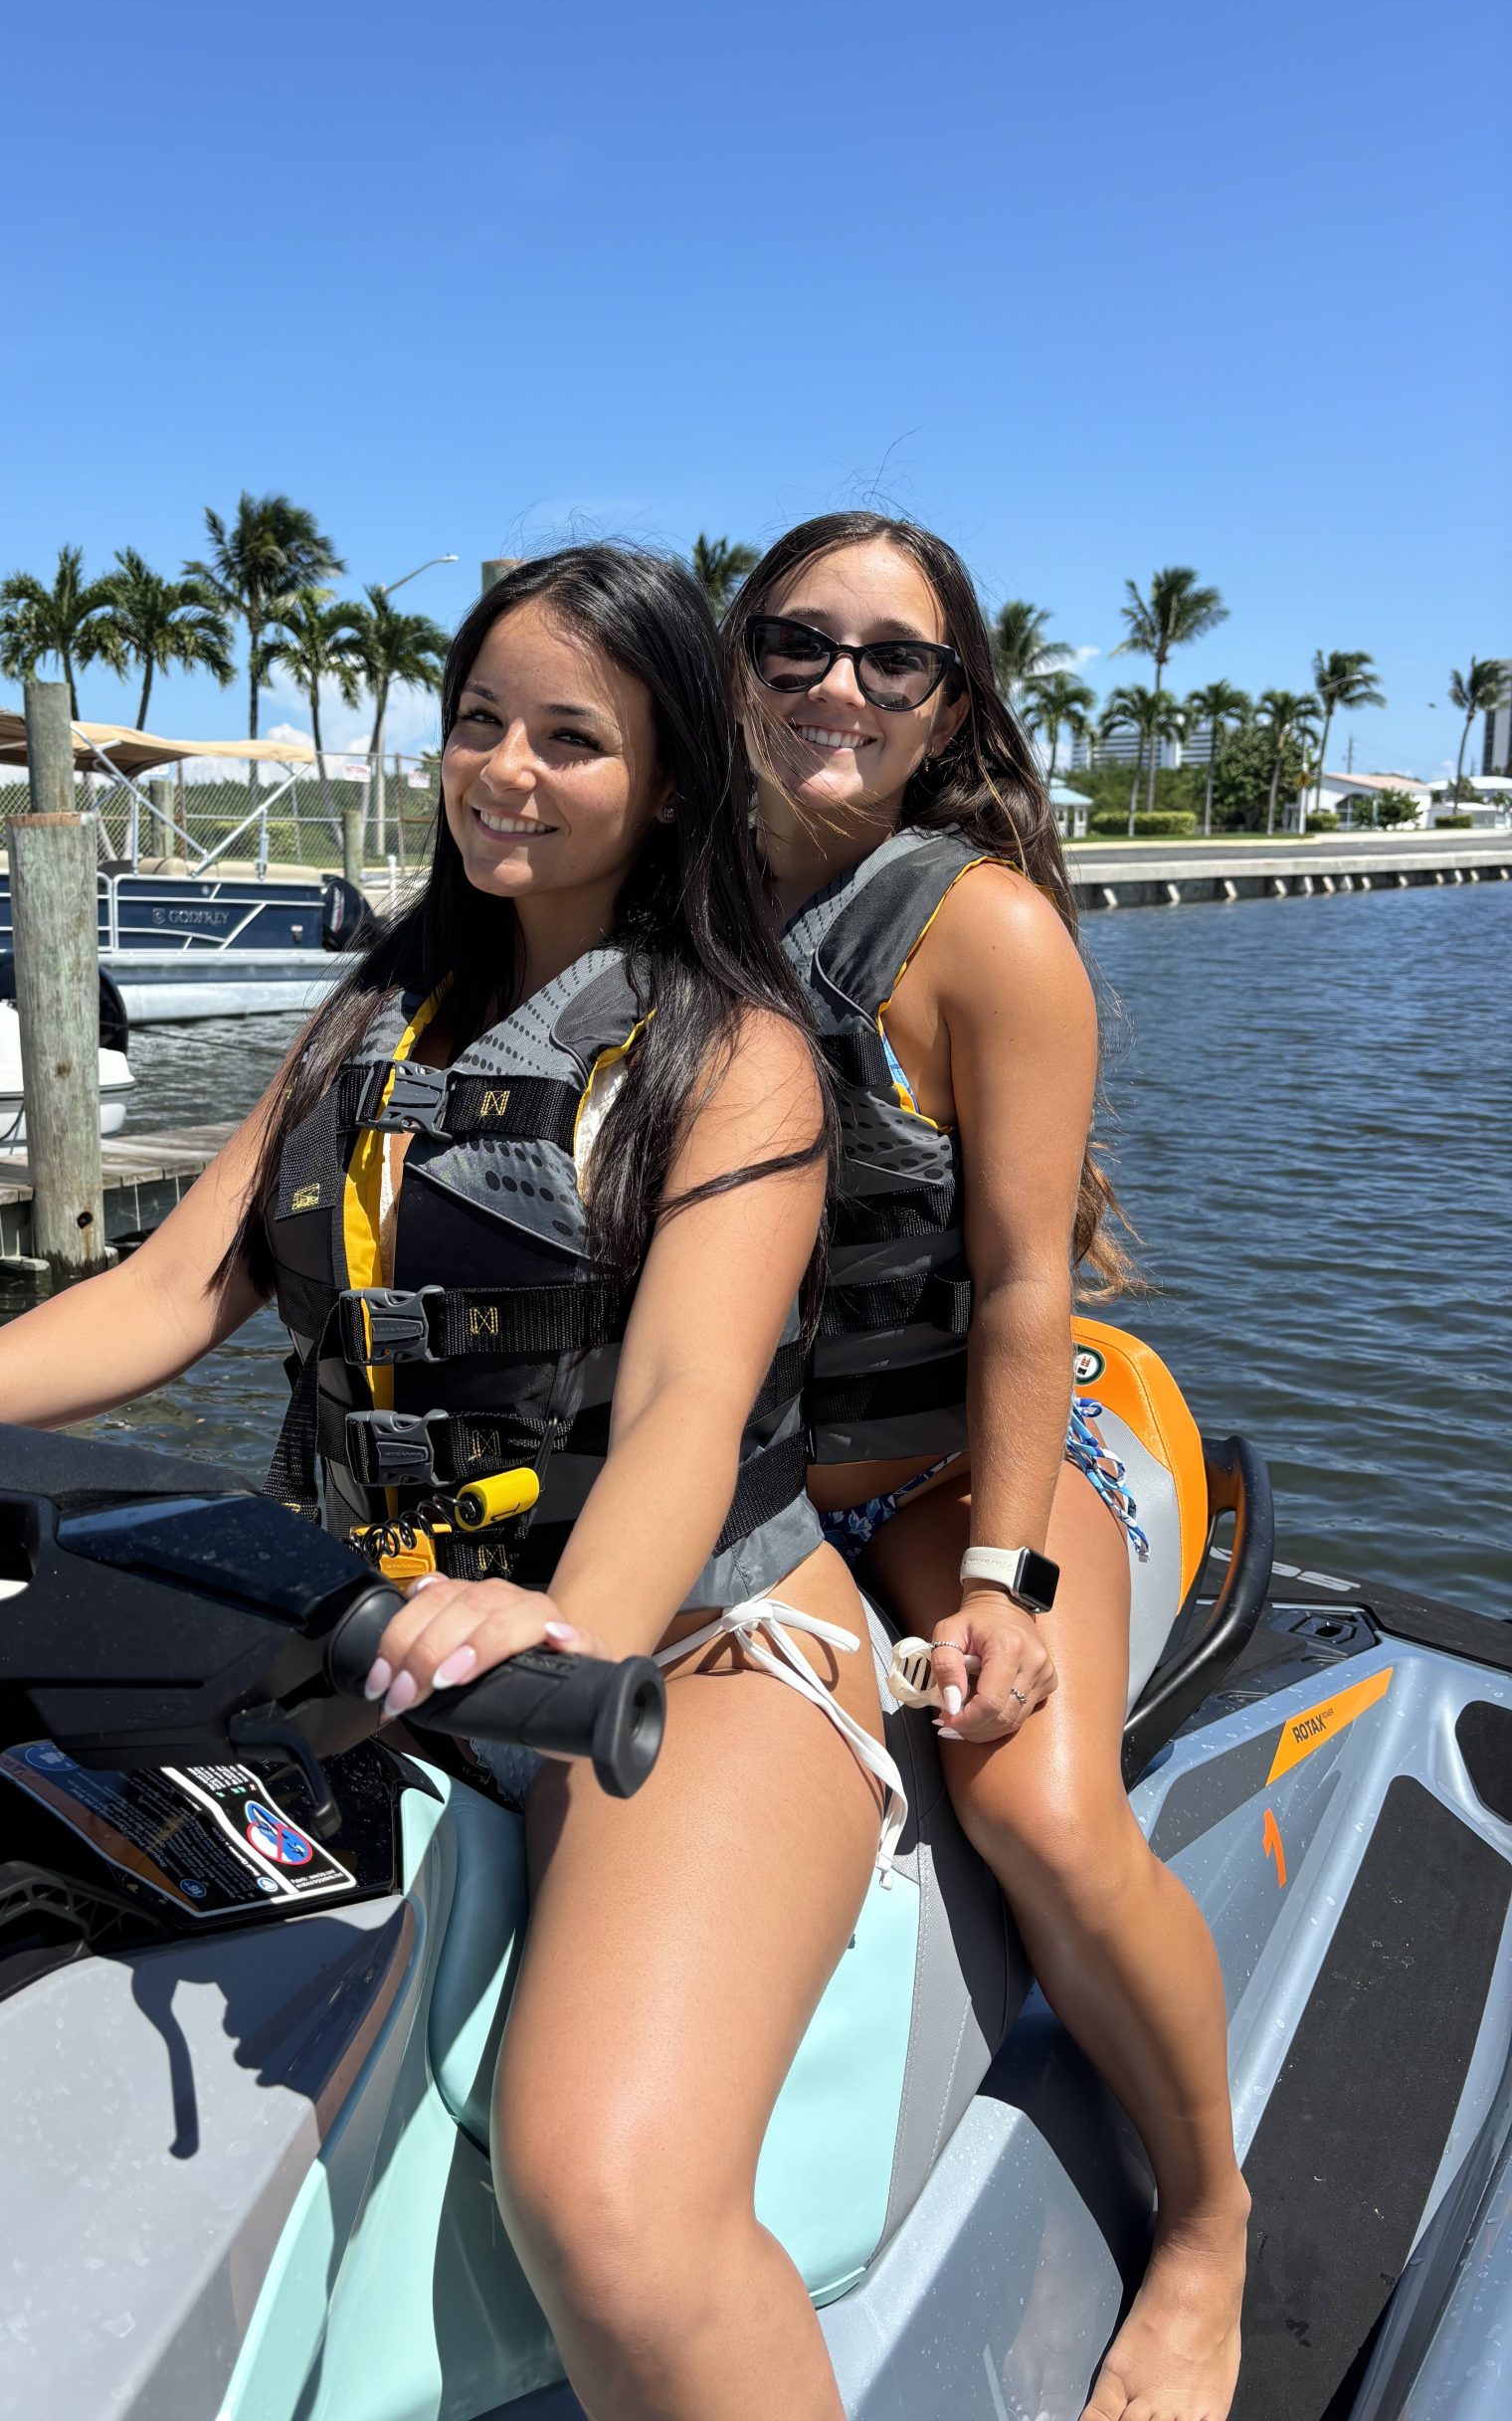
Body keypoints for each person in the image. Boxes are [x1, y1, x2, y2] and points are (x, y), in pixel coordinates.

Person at [0, 548, 901, 2421]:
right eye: (480, 722)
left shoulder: (739, 1054)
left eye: (570, 739)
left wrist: (566, 1626)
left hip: (686, 1657)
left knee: (610, 2204)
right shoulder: (380, 1013)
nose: (505, 771)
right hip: (378, 1622)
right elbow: (166, 1295)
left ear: (668, 787)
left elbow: (687, 1410)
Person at [726, 511, 1249, 2421]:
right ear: (735, 666)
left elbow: (1029, 1288)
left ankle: (1209, 2225)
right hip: (754, 1499)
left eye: (895, 659)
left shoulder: (983, 934)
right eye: (797, 642)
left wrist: (1006, 1580)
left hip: (974, 1465)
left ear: (949, 708)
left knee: (1033, 1810)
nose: (839, 687)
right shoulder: (673, 908)